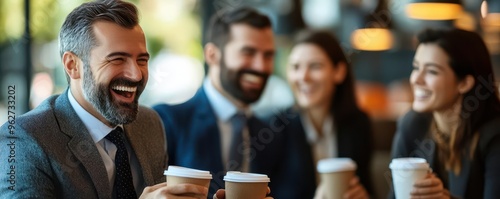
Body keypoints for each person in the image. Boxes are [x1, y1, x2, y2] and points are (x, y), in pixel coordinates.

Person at [0, 1, 208, 198]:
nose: (136, 75)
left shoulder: (150, 123)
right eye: (117, 59)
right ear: (72, 65)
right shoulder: (25, 139)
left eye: (141, 60)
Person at [153, 6, 290, 198]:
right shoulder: (165, 121)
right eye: (248, 52)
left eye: (268, 55)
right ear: (212, 55)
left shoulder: (271, 135)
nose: (261, 66)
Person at [390, 28, 500, 198]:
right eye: (416, 67)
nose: (416, 80)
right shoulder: (412, 124)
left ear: (464, 83)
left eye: (432, 71)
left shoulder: (494, 135)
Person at [280, 30, 373, 199]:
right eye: (295, 67)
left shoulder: (358, 124)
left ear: (339, 72)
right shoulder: (274, 129)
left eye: (315, 66)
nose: (303, 76)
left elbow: (368, 186)